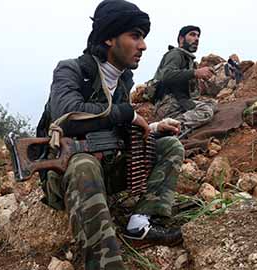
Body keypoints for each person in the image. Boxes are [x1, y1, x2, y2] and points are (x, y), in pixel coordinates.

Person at [36, 1, 185, 269]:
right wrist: (127, 114)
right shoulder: (72, 69)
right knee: (83, 164)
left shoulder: (123, 80)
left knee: (170, 146)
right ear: (108, 37)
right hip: (68, 172)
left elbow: (111, 129)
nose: (143, 46)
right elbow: (67, 115)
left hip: (106, 167)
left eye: (143, 38)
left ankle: (140, 223)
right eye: (135, 36)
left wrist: (151, 129)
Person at [152, 25, 218, 132]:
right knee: (206, 111)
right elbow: (166, 76)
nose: (196, 39)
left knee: (213, 104)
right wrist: (195, 73)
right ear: (181, 39)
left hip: (181, 101)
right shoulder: (175, 54)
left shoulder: (188, 59)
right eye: (192, 35)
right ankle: (173, 127)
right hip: (169, 103)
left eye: (198, 36)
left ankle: (176, 119)